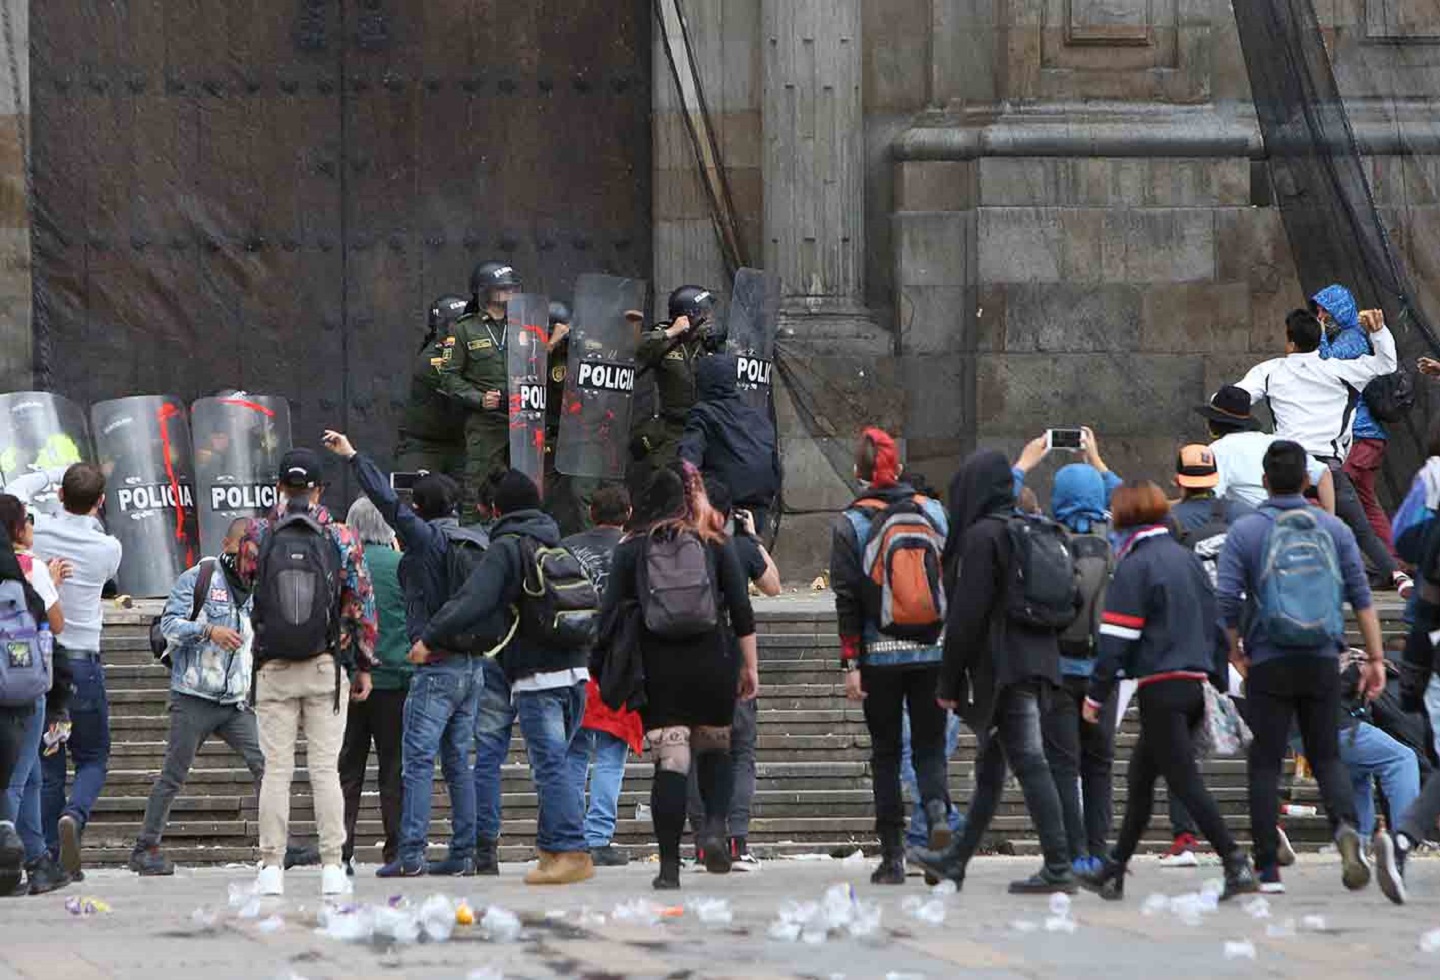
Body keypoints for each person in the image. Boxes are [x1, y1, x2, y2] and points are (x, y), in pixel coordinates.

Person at [413, 470, 596, 886]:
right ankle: (552, 851)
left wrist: (431, 636)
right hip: (576, 670)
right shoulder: (554, 541)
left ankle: (571, 849)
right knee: (558, 763)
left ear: (498, 509)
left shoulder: (508, 547)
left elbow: (473, 598)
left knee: (549, 765)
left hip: (538, 675)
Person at [323, 430, 491, 879]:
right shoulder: (475, 542)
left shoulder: (427, 542)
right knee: (458, 761)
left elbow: (386, 502)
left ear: (419, 510)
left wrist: (354, 456)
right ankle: (463, 853)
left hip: (434, 668)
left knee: (416, 762)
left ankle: (411, 853)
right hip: (473, 668)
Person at [1078, 481, 1257, 901]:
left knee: (1185, 782)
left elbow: (1116, 639)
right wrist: (1213, 682)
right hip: (1193, 686)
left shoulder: (1134, 566)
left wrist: (1096, 695)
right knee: (1140, 778)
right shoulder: (1186, 560)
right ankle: (1114, 869)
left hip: (1161, 688)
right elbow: (1216, 628)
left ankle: (1234, 860)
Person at [1217, 439, 1382, 895]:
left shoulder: (1246, 531)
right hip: (1323, 659)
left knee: (1266, 760)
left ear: (1265, 481)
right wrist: (1376, 658)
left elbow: (1227, 600)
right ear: (1307, 481)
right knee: (1326, 754)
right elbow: (1362, 599)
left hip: (1268, 660)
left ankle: (1268, 868)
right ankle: (1347, 830)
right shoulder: (1334, 530)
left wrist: (1234, 651)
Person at [909, 449, 1074, 894]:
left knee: (1029, 761)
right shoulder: (1024, 528)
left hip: (1006, 669)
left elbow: (966, 617)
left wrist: (947, 682)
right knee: (990, 771)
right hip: (1038, 659)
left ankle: (1059, 865)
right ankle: (955, 862)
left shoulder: (984, 537)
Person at [596, 464, 760, 890]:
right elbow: (741, 610)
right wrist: (750, 666)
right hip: (712, 660)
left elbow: (608, 613)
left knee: (672, 761)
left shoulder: (631, 549)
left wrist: (601, 667)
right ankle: (715, 830)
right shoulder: (714, 543)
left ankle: (669, 868)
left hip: (659, 668)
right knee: (715, 750)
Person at [241, 448, 377, 898]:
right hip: (325, 664)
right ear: (319, 489)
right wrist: (361, 663)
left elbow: (245, 582)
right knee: (324, 770)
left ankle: (270, 867)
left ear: (280, 487)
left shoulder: (258, 532)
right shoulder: (341, 535)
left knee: (276, 769)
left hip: (273, 666)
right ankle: (333, 867)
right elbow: (359, 603)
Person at [830, 429, 952, 884]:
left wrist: (851, 664)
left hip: (878, 656)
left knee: (885, 753)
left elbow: (845, 599)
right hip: (933, 650)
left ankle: (893, 858)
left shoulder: (851, 523)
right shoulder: (934, 512)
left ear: (859, 475)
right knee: (930, 747)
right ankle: (938, 816)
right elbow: (949, 581)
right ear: (897, 469)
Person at [1230, 308, 1409, 596]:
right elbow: (1386, 365)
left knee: (1268, 523)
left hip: (1289, 467)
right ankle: (1398, 575)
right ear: (1319, 338)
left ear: (1290, 342)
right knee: (1361, 529)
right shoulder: (1339, 370)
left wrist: (1220, 405)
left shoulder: (1269, 371)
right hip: (1330, 468)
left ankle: (1262, 582)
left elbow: (1238, 396)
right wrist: (1378, 333)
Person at [128, 518, 261, 876]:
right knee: (174, 773)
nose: (245, 560)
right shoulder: (199, 578)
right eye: (239, 551)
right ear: (227, 544)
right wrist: (209, 630)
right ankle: (146, 847)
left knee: (267, 763)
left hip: (234, 702)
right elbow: (169, 625)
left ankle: (277, 843)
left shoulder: (257, 584)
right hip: (194, 696)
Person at [17, 463, 122, 882]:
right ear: (99, 502)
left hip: (46, 662)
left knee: (49, 764)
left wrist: (52, 473)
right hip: (84, 663)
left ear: (60, 495)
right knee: (93, 756)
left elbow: (16, 489)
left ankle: (49, 858)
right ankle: (74, 816)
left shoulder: (36, 528)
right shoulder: (107, 548)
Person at [688, 476, 780, 868]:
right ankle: (736, 841)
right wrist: (753, 537)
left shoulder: (672, 543)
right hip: (726, 656)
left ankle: (701, 840)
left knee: (689, 753)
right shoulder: (736, 545)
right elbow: (772, 586)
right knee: (740, 751)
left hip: (681, 657)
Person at [1035, 460, 1117, 877]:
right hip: (1105, 673)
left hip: (1058, 669)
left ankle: (1072, 851)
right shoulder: (1116, 540)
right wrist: (1101, 464)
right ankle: (1100, 852)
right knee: (1099, 764)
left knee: (1063, 765)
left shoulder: (1047, 540)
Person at [562, 486, 642, 867]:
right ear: (628, 512)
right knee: (612, 755)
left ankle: (573, 835)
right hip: (621, 665)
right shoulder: (640, 550)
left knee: (575, 752)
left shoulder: (565, 548)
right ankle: (599, 837)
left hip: (575, 661)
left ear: (590, 511)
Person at [0, 495, 70, 895]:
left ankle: (36, 856)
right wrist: (52, 586)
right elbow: (53, 624)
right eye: (25, 519)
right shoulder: (30, 569)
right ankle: (13, 864)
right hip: (25, 684)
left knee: (29, 777)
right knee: (16, 778)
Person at [337, 498, 412, 875]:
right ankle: (396, 849)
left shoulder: (345, 565)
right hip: (396, 680)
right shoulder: (402, 566)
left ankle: (341, 851)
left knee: (347, 768)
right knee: (393, 769)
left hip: (349, 679)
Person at [1313, 284, 1399, 559]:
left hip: (1361, 437)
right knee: (1365, 503)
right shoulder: (1350, 337)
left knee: (1334, 491)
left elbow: (1324, 366)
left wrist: (1319, 333)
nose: (1321, 315)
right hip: (1365, 439)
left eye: (1325, 310)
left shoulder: (1352, 339)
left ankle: (1375, 561)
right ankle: (1394, 561)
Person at [444, 261, 521, 525]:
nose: (510, 292)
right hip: (486, 422)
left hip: (522, 421)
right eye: (503, 288)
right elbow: (449, 377)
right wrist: (478, 398)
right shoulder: (465, 329)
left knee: (522, 487)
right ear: (484, 292)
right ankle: (471, 543)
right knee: (478, 487)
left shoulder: (524, 326)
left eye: (512, 287)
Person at [677, 354, 781, 534]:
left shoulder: (704, 413)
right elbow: (775, 464)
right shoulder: (757, 416)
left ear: (702, 382)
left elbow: (688, 460)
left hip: (722, 506)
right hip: (759, 506)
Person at [1195, 385, 1335, 514]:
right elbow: (1324, 474)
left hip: (1253, 528)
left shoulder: (1217, 451)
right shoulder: (1277, 442)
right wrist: (1330, 519)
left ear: (1215, 422)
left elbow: (1207, 499)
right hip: (1295, 521)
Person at [632, 286, 719, 482]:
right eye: (703, 313)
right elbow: (635, 347)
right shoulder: (665, 338)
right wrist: (671, 332)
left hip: (705, 428)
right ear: (686, 317)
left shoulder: (707, 343)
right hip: (673, 429)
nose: (709, 317)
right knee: (668, 482)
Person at [396, 293, 471, 483]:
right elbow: (462, 388)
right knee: (418, 496)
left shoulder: (471, 351)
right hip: (424, 445)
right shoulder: (432, 358)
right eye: (457, 326)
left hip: (459, 444)